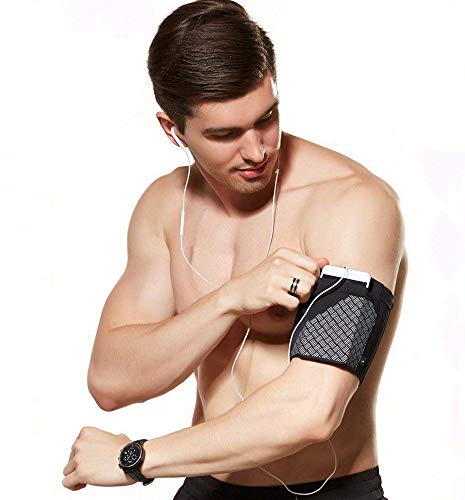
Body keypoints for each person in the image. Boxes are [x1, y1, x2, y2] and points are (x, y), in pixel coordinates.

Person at [78, 1, 407, 498]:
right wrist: (229, 299)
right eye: (225, 134)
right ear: (172, 129)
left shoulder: (352, 204)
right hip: (207, 486)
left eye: (266, 118)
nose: (256, 151)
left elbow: (313, 410)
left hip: (327, 490)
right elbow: (111, 381)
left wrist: (138, 459)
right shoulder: (167, 207)